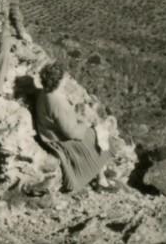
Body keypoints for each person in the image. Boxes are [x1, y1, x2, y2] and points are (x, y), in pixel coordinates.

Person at [33, 62, 113, 193]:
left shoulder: (47, 94)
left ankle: (101, 172)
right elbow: (70, 132)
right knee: (100, 136)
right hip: (58, 139)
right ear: (58, 80)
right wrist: (86, 125)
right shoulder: (56, 101)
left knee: (97, 133)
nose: (66, 80)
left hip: (53, 133)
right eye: (64, 78)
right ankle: (100, 178)